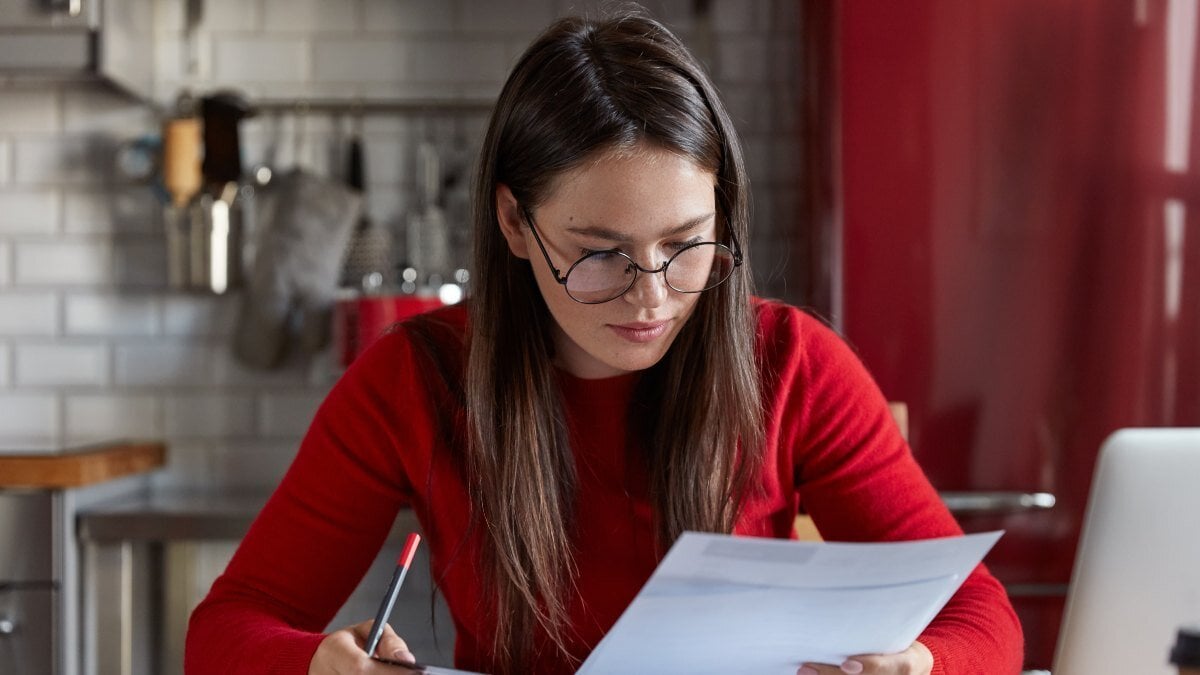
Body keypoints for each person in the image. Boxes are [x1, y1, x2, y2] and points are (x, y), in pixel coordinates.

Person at [185, 9, 1023, 675]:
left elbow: (982, 616)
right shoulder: (415, 379)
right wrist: (312, 665)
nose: (652, 296)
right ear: (515, 221)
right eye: (600, 255)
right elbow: (225, 630)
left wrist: (922, 662)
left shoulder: (791, 362)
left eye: (687, 244)